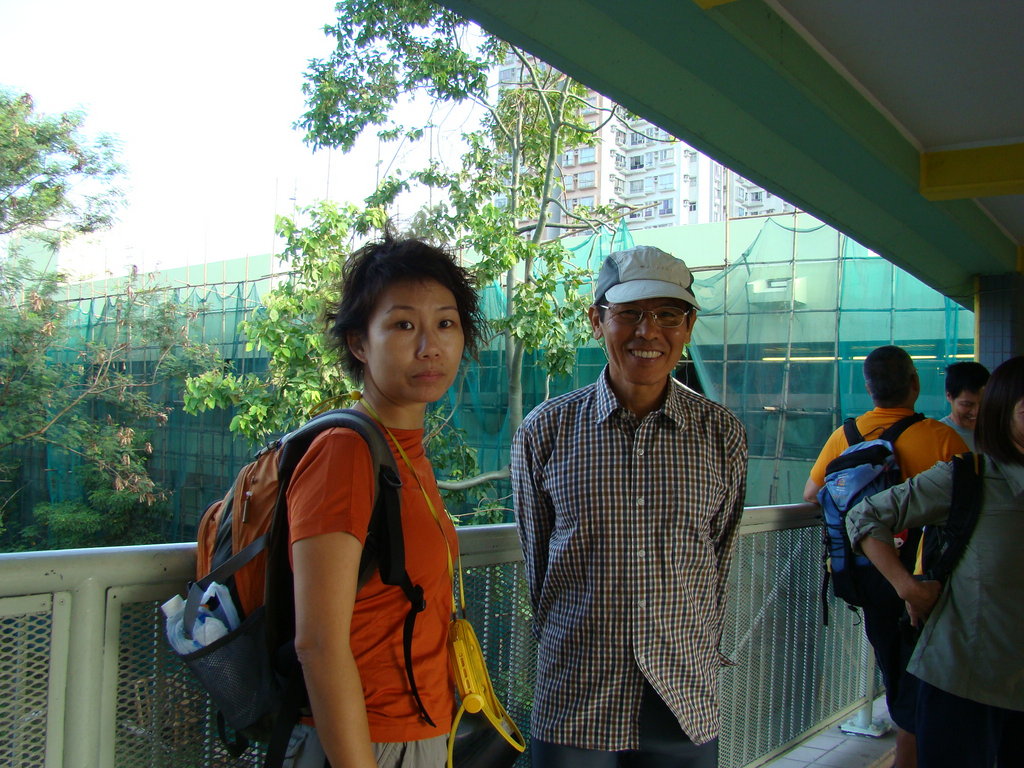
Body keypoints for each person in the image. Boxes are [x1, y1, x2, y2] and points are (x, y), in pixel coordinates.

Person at [511, 245, 748, 768]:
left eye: (668, 315)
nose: (649, 331)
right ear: (597, 321)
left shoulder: (721, 434)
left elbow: (719, 561)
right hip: (576, 694)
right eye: (630, 313)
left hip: (683, 695)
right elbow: (538, 567)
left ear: (688, 327)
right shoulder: (545, 431)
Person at [284, 232, 483, 768]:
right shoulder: (345, 453)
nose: (430, 346)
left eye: (446, 323)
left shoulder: (404, 450)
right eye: (403, 325)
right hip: (369, 740)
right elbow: (317, 643)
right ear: (359, 343)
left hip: (418, 729)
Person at [846, 355, 1024, 767]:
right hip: (964, 680)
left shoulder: (847, 434)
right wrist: (908, 586)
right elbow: (864, 515)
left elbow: (813, 490)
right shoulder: (966, 471)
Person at [803, 345, 968, 768]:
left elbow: (812, 494)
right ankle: (915, 753)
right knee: (930, 670)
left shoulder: (845, 436)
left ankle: (907, 751)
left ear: (869, 387)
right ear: (915, 383)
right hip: (928, 578)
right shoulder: (941, 437)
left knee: (893, 667)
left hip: (869, 575)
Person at [939, 361, 990, 449]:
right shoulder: (938, 436)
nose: (976, 411)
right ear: (949, 396)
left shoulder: (998, 433)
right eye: (967, 404)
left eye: (983, 403)